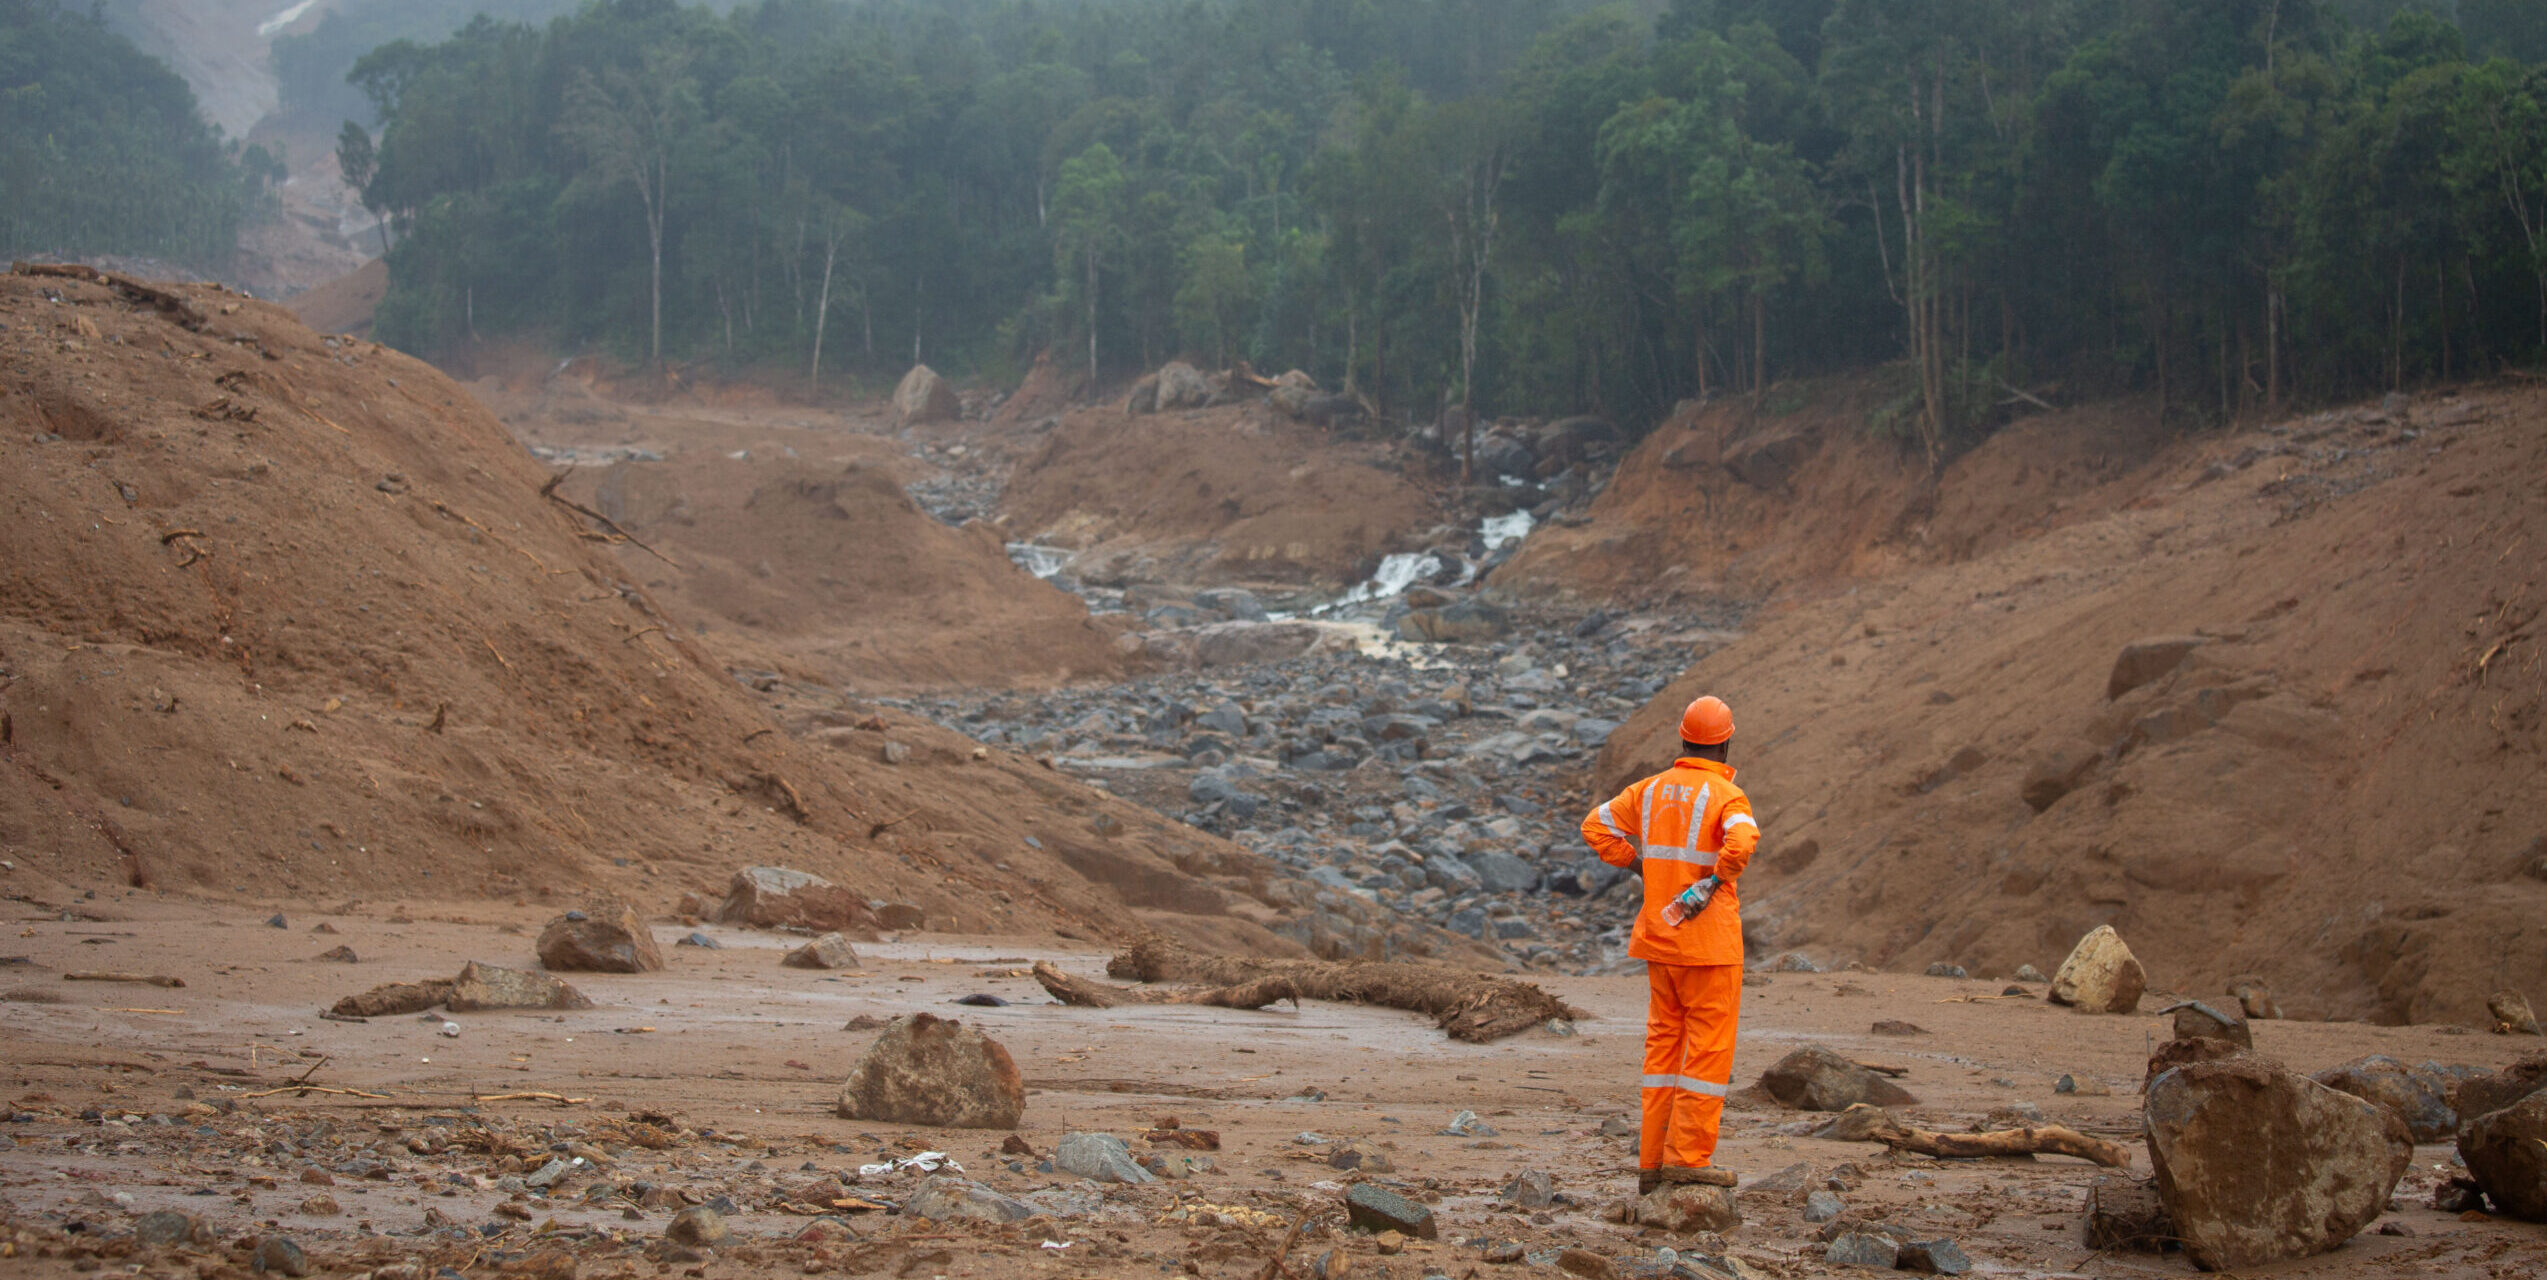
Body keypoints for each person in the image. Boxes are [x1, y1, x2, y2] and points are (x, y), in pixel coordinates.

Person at [1579, 695, 1757, 1195]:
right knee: (1706, 1051)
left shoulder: (1650, 790)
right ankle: (1688, 1160)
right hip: (1710, 948)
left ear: (1682, 739)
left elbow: (1595, 825)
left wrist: (1639, 865)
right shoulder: (1728, 798)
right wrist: (1714, 879)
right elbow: (1741, 844)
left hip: (1660, 942)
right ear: (1726, 742)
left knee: (1662, 1049)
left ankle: (1651, 1162)